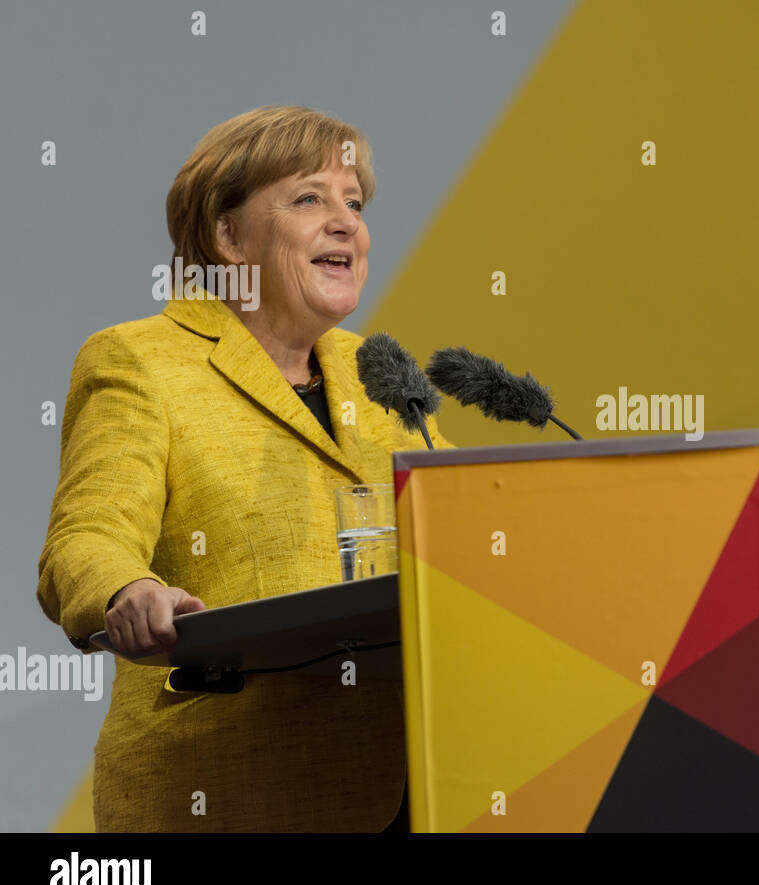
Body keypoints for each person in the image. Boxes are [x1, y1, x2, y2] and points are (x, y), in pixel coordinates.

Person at [36, 105, 452, 832]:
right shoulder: (140, 360)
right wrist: (126, 590)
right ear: (228, 235)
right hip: (228, 791)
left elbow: (461, 518)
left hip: (417, 787)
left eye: (353, 203)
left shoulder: (376, 371)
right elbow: (85, 538)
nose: (346, 222)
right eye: (309, 198)